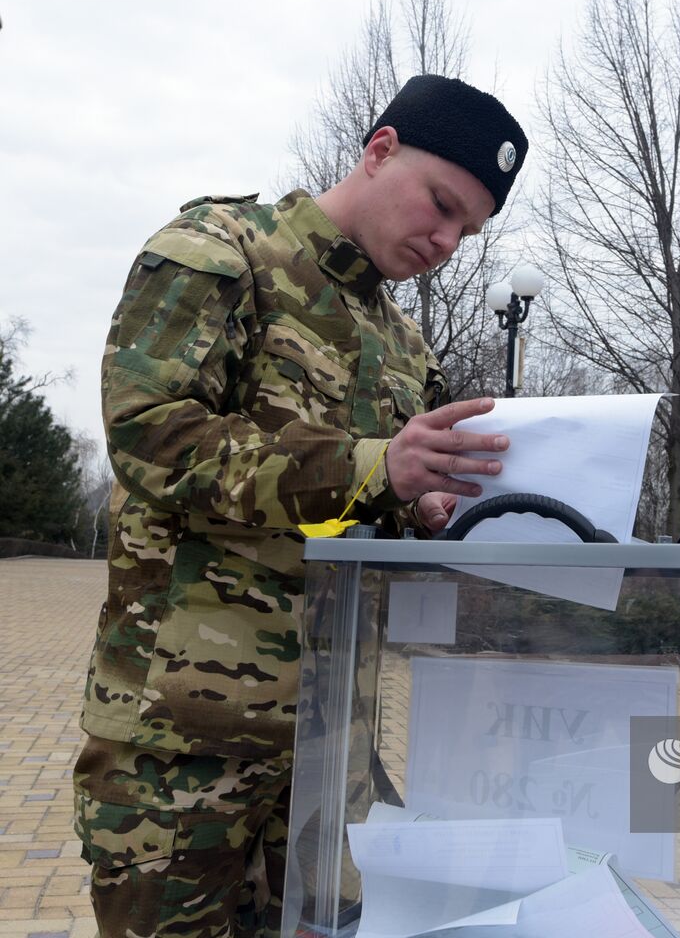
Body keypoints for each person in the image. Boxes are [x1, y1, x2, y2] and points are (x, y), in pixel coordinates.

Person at [73, 75, 528, 938]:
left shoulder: (403, 346)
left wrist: (422, 506)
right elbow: (151, 438)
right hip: (183, 751)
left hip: (327, 759)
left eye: (468, 229)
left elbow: (380, 501)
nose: (446, 240)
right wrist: (372, 467)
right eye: (440, 204)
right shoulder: (220, 251)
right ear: (380, 150)